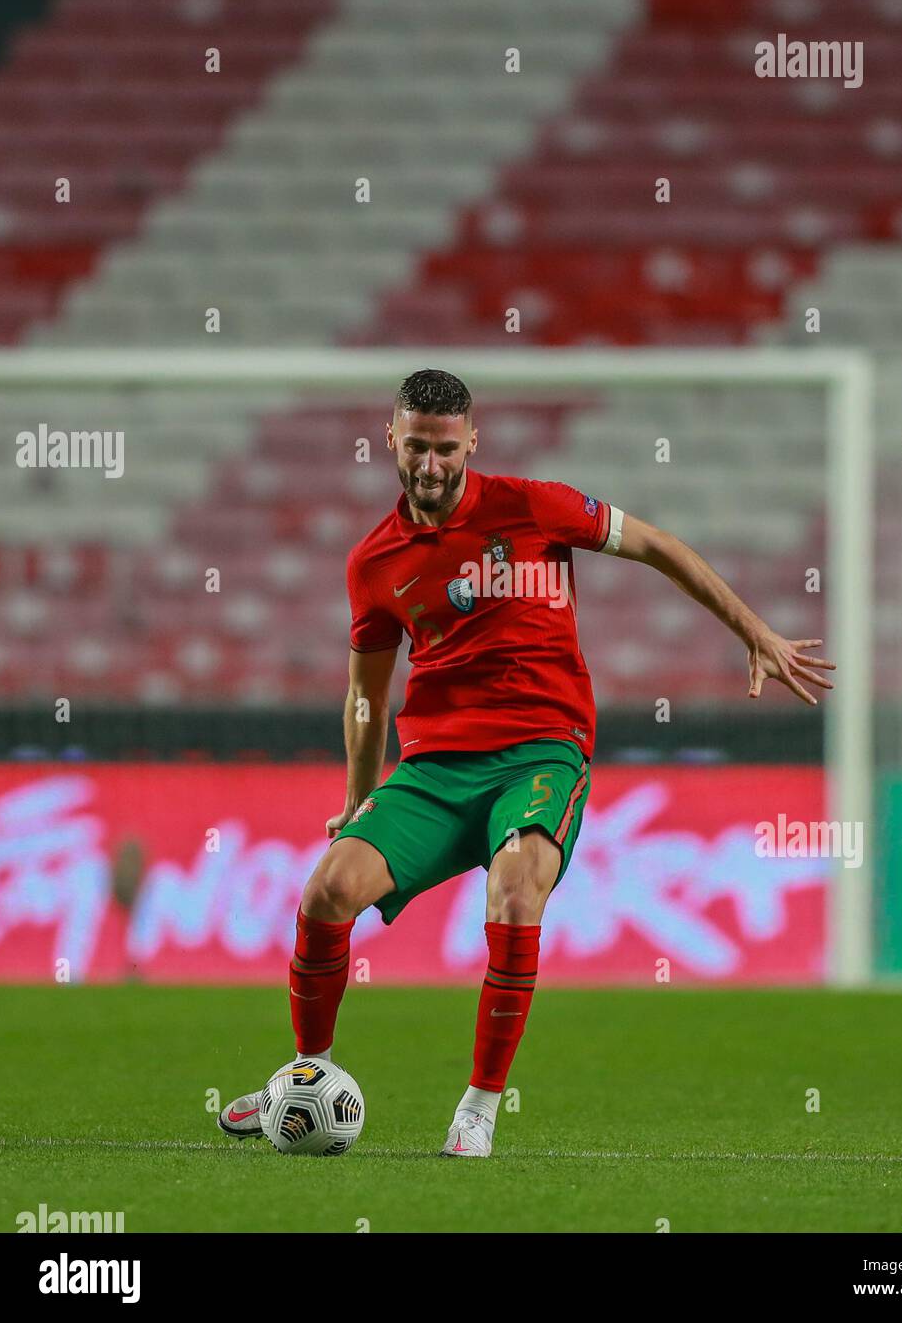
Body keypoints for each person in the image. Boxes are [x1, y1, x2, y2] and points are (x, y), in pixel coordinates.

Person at [219, 369, 834, 1156]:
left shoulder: (535, 507)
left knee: (515, 893)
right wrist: (357, 796)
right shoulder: (374, 561)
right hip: (435, 768)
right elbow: (364, 696)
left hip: (541, 750)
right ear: (390, 441)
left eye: (445, 448)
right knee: (328, 890)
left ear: (471, 441)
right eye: (415, 447)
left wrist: (751, 629)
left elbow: (655, 545)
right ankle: (306, 1074)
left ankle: (476, 1109)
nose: (430, 465)